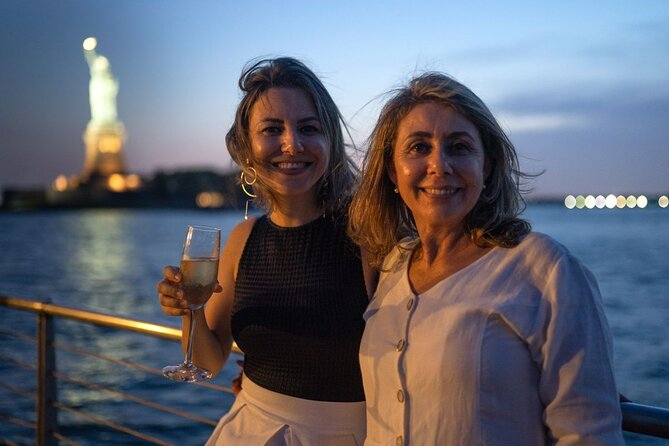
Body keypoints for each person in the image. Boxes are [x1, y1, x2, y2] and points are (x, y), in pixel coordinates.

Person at [348, 73, 624, 445]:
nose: (439, 165)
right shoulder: (391, 268)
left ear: (487, 166)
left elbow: (588, 433)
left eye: (459, 147)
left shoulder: (544, 270)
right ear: (392, 171)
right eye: (418, 147)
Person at [157, 57, 375, 445]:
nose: (292, 144)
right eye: (272, 129)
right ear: (247, 148)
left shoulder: (368, 235)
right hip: (250, 428)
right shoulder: (243, 238)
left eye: (309, 128)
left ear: (330, 141)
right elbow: (209, 362)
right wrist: (189, 310)